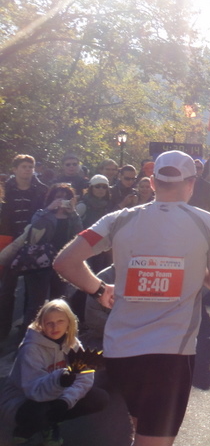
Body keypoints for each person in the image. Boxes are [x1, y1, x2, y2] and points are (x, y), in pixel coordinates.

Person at [53, 150, 210, 446]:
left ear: (152, 182)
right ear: (192, 183)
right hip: (170, 353)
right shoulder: (206, 222)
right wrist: (195, 265)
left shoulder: (118, 220)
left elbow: (65, 262)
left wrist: (99, 289)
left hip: (121, 350)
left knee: (141, 428)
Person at [0, 299, 109, 444]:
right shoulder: (31, 348)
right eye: (49, 323)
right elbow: (33, 390)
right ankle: (28, 427)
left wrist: (66, 401)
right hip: (23, 400)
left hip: (56, 394)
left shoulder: (72, 343)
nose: (55, 327)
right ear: (41, 324)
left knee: (99, 398)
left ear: (69, 322)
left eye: (60, 321)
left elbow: (85, 378)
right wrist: (59, 379)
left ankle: (52, 422)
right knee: (39, 413)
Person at [12, 183, 82, 329]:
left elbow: (79, 233)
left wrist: (73, 211)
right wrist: (49, 209)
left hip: (62, 262)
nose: (62, 200)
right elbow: (35, 226)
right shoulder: (42, 213)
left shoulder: (72, 216)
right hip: (39, 262)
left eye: (65, 197)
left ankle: (54, 333)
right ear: (51, 198)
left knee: (58, 302)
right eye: (58, 197)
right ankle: (28, 335)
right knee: (35, 303)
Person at [0, 154, 48, 340]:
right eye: (23, 166)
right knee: (6, 289)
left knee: (31, 290)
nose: (27, 170)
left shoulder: (41, 190)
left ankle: (25, 332)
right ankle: (3, 331)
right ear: (15, 169)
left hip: (32, 243)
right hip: (9, 240)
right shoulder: (4, 189)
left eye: (30, 166)